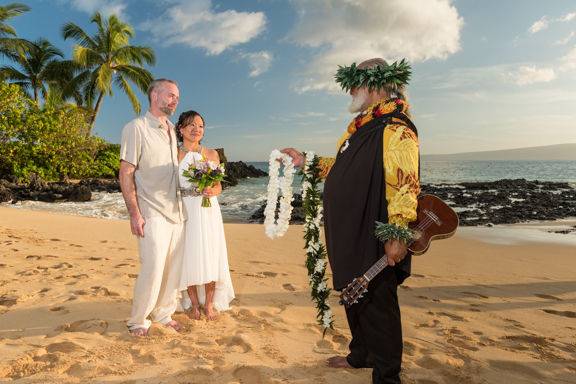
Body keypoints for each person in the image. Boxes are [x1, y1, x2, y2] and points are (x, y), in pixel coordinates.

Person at [282, 58, 420, 383]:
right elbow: (340, 168)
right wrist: (306, 161)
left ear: (373, 85)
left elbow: (404, 180)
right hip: (349, 231)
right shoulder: (363, 129)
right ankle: (361, 355)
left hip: (373, 231)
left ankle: (387, 375)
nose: (351, 91)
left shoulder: (395, 127)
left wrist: (397, 232)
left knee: (377, 304)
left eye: (355, 84)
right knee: (353, 294)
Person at [119, 78, 185, 336]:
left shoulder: (171, 130)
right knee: (154, 265)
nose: (175, 100)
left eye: (177, 96)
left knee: (173, 267)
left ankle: (164, 313)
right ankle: (138, 319)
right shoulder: (136, 127)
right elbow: (126, 172)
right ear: (155, 95)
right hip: (151, 210)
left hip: (177, 210)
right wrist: (134, 213)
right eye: (171, 95)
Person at [176, 110, 235, 321]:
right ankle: (193, 304)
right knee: (188, 255)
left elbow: (218, 186)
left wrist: (212, 191)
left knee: (210, 255)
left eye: (200, 126)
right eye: (191, 125)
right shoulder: (175, 154)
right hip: (185, 209)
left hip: (208, 210)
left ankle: (209, 304)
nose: (196, 129)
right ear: (181, 129)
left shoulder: (211, 154)